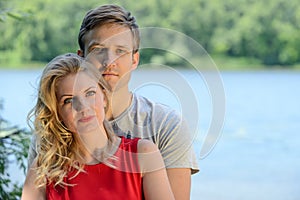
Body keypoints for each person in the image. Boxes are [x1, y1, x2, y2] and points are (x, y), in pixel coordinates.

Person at [27, 4, 199, 199]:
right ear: (81, 57)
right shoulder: (54, 132)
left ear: (135, 60)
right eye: (98, 49)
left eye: (120, 51)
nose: (109, 61)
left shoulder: (167, 126)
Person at [22, 53, 175, 200]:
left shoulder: (143, 154)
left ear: (104, 97)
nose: (83, 107)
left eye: (90, 93)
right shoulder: (43, 169)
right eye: (68, 101)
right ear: (56, 112)